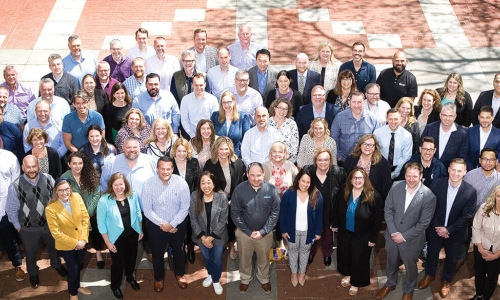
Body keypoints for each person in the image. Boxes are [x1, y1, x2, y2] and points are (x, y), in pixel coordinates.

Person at [375, 163, 436, 300]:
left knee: (410, 265)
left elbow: (423, 224)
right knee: (391, 261)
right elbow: (388, 209)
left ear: (421, 176)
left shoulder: (429, 196)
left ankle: (409, 289)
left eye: (415, 176)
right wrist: (393, 232)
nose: (411, 179)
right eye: (408, 175)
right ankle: (390, 283)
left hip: (412, 240)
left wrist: (403, 236)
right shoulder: (396, 186)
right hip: (392, 235)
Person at [6, 155, 67, 290]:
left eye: (34, 166)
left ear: (38, 166)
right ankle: (33, 273)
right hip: (28, 229)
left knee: (54, 247)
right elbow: (11, 210)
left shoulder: (48, 179)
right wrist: (18, 227)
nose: (31, 170)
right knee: (31, 252)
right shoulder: (15, 186)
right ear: (23, 167)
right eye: (28, 167)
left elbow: (55, 200)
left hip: (49, 225)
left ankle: (56, 264)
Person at [418, 159, 476, 298]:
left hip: (455, 232)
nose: (456, 173)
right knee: (432, 253)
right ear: (449, 169)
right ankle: (429, 274)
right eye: (453, 169)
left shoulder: (470, 191)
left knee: (451, 258)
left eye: (459, 170)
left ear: (465, 172)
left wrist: (448, 229)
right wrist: (438, 227)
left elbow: (467, 215)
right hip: (435, 228)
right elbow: (430, 206)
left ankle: (446, 280)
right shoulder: (437, 184)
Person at [142, 156, 191, 292]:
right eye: (162, 169)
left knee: (179, 251)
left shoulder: (181, 183)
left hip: (177, 225)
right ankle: (159, 278)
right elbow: (147, 210)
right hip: (156, 225)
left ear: (172, 169)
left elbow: (185, 208)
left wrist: (172, 224)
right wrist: (163, 224)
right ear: (157, 169)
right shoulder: (148, 184)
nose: (165, 172)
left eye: (168, 169)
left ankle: (179, 274)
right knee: (157, 253)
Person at [332, 167, 383, 296]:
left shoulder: (373, 195)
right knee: (345, 254)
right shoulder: (344, 190)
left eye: (360, 178)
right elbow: (336, 207)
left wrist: (373, 238)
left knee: (359, 259)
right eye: (354, 177)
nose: (357, 180)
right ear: (350, 179)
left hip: (363, 234)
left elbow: (377, 220)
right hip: (345, 231)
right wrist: (335, 223)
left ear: (365, 179)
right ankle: (348, 275)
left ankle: (356, 282)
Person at [231, 162, 280, 295]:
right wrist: (248, 231)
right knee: (244, 258)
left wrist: (263, 231)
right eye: (252, 175)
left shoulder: (271, 189)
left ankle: (263, 278)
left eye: (259, 175)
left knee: (264, 258)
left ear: (263, 174)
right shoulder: (239, 190)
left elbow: (275, 212)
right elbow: (235, 213)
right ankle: (245, 279)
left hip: (265, 233)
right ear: (247, 175)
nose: (256, 178)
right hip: (244, 233)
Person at [97, 173, 143, 299]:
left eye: (121, 184)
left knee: (132, 258)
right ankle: (115, 285)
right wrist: (107, 243)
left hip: (132, 234)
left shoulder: (132, 195)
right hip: (115, 238)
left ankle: (130, 277)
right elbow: (101, 224)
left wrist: (140, 230)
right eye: (115, 185)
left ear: (125, 184)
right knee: (117, 263)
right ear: (111, 186)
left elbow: (138, 213)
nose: (119, 187)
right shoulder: (104, 200)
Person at [45, 178, 91, 300]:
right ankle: (73, 293)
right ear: (55, 191)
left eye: (67, 189)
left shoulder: (76, 197)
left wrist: (82, 239)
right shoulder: (51, 209)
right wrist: (76, 243)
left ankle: (77, 286)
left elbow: (85, 218)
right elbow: (56, 233)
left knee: (79, 265)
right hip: (66, 245)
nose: (65, 193)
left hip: (82, 241)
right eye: (61, 190)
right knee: (73, 268)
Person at [203, 136, 246, 259]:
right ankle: (219, 245)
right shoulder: (210, 164)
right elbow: (207, 183)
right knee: (217, 223)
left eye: (226, 149)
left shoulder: (237, 163)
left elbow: (241, 183)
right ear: (216, 149)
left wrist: (233, 200)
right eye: (221, 149)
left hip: (233, 200)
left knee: (232, 224)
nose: (224, 152)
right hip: (216, 199)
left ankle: (232, 246)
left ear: (230, 149)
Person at [280, 168, 323, 287]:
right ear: (298, 180)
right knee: (293, 252)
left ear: (311, 183)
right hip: (291, 231)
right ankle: (294, 273)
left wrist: (318, 232)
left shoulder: (317, 195)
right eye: (302, 181)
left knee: (305, 252)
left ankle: (302, 273)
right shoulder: (289, 193)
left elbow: (319, 215)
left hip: (308, 232)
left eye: (308, 182)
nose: (305, 184)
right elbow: (283, 213)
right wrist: (283, 230)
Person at [304, 148, 346, 266]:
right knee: (311, 235)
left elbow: (344, 196)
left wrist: (337, 219)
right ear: (315, 161)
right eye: (320, 160)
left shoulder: (339, 173)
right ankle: (311, 253)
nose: (323, 162)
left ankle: (327, 255)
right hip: (312, 212)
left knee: (327, 236)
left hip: (330, 212)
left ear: (330, 160)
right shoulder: (308, 171)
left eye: (326, 160)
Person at [189, 171, 228, 295]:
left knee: (217, 259)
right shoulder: (195, 196)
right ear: (199, 185)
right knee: (206, 257)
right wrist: (203, 237)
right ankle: (210, 274)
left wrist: (211, 237)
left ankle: (216, 280)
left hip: (218, 235)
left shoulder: (221, 197)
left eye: (208, 182)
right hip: (201, 235)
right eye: (203, 183)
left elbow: (223, 219)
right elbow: (193, 218)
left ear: (213, 183)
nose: (206, 186)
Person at [62, 152, 103, 269]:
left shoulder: (91, 174)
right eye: (74, 163)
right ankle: (79, 258)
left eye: (80, 163)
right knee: (79, 236)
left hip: (92, 211)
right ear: (69, 164)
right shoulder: (65, 178)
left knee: (96, 232)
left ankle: (98, 253)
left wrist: (89, 211)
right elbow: (63, 197)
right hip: (75, 215)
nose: (77, 166)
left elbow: (96, 194)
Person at [171, 138, 201, 264]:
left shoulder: (193, 162)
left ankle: (191, 249)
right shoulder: (170, 163)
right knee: (178, 226)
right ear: (174, 151)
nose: (182, 154)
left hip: (191, 200)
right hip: (174, 202)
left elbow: (198, 182)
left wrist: (192, 199)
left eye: (184, 151)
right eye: (179, 151)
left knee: (190, 226)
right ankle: (180, 250)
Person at [330, 91, 382, 164]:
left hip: (366, 162)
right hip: (344, 160)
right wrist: (338, 155)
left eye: (359, 102)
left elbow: (378, 140)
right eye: (354, 102)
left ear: (364, 102)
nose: (356, 105)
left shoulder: (373, 119)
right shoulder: (340, 117)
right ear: (349, 102)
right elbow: (334, 138)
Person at [470, 185, 500, 300]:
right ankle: (479, 294)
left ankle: (485, 297)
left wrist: (496, 255)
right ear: (494, 197)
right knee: (479, 273)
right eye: (499, 196)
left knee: (492, 277)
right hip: (481, 246)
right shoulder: (484, 208)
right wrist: (481, 249)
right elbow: (476, 228)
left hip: (498, 251)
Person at [0, 149, 25, 282]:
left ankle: (17, 265)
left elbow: (16, 183)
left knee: (8, 236)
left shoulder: (9, 157)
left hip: (5, 205)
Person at [343, 134, 393, 199]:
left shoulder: (383, 164)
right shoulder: (351, 159)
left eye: (371, 145)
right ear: (360, 145)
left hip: (372, 200)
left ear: (375, 147)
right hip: (352, 196)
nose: (367, 147)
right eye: (364, 144)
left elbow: (386, 187)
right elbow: (345, 180)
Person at [420, 102, 468, 168]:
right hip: (428, 168)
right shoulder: (430, 128)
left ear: (455, 117)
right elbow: (420, 147)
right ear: (440, 115)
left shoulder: (462, 134)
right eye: (444, 115)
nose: (447, 119)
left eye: (450, 116)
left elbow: (462, 157)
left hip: (449, 172)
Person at [373, 109, 413, 179]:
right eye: (390, 119)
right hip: (380, 170)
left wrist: (395, 173)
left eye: (396, 119)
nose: (393, 122)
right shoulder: (377, 133)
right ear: (386, 119)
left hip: (399, 172)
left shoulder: (407, 135)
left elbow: (406, 157)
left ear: (400, 119)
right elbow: (375, 152)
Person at [210, 90, 251, 157]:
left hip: (237, 156)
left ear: (234, 102)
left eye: (229, 102)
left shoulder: (243, 117)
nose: (226, 105)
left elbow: (246, 140)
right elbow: (211, 136)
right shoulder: (215, 116)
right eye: (224, 102)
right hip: (219, 155)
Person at [180, 72, 218, 138]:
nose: (199, 88)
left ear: (205, 84)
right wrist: (193, 136)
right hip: (191, 136)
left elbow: (215, 120)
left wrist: (208, 134)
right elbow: (184, 120)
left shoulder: (212, 99)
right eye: (196, 85)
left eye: (201, 85)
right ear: (192, 85)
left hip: (209, 135)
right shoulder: (185, 100)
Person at [467, 106, 500, 170]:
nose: (485, 120)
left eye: (488, 118)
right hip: (469, 170)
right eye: (482, 117)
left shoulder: (498, 134)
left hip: (490, 171)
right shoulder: (469, 132)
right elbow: (464, 153)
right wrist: (471, 169)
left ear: (492, 118)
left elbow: (498, 157)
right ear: (478, 117)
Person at [269, 98, 299, 163]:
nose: (282, 111)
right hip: (270, 161)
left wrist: (285, 157)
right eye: (280, 108)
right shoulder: (267, 123)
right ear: (274, 108)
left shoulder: (292, 124)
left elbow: (295, 145)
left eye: (285, 109)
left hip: (288, 161)